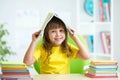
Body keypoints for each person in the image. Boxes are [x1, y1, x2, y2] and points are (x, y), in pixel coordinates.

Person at [23, 16, 90, 74]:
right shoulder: (42, 48)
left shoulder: (67, 47)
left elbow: (86, 56)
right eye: (53, 31)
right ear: (47, 35)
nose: (58, 34)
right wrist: (34, 41)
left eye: (61, 30)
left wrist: (75, 38)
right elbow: (27, 63)